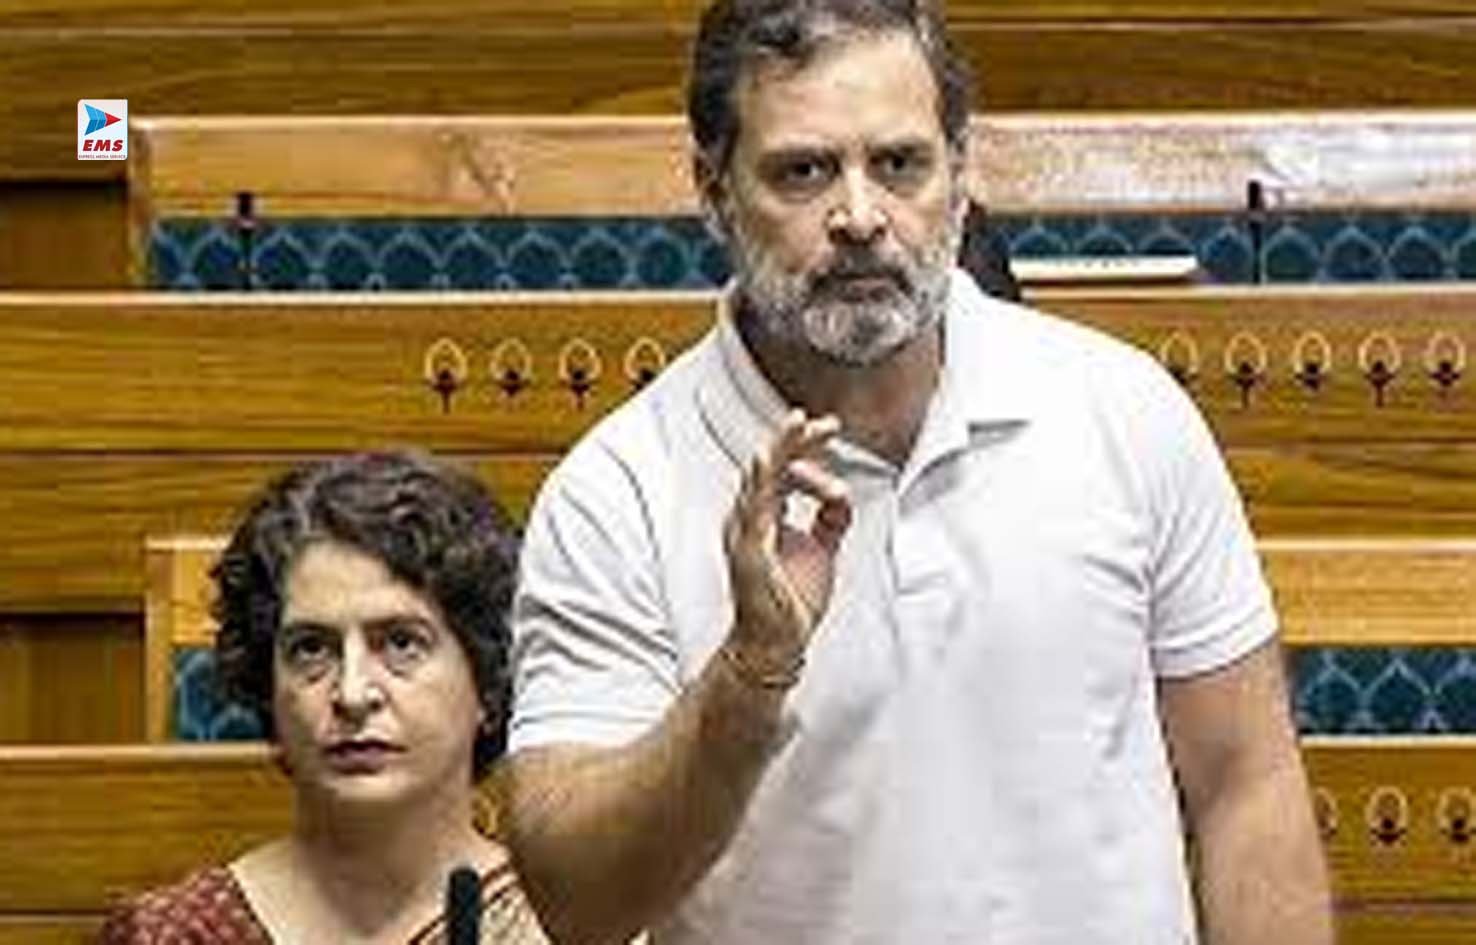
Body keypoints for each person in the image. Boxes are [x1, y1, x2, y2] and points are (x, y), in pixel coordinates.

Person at [502, 1, 1334, 943]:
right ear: (713, 188)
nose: (861, 218)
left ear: (961, 173)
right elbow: (580, 902)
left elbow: (1247, 787)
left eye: (900, 164)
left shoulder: (1125, 411)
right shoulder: (615, 492)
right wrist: (749, 674)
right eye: (803, 171)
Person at [100, 452, 548, 945]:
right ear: (268, 687)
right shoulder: (172, 934)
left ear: (488, 678)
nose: (352, 694)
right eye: (311, 649)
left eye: (402, 643)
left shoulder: (567, 923)